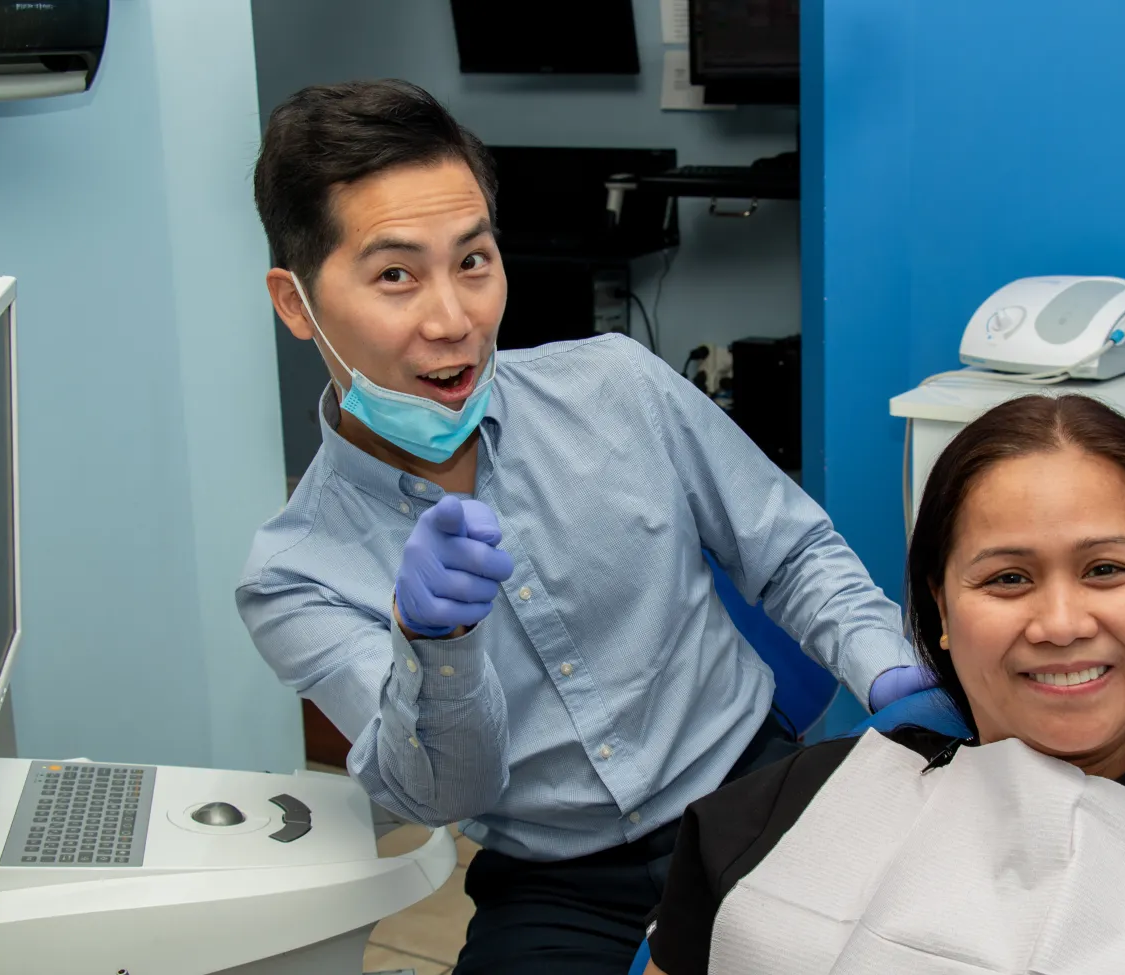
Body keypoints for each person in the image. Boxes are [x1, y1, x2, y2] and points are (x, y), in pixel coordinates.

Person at [235, 79, 929, 974]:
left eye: (474, 261)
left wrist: (886, 665)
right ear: (296, 304)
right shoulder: (294, 573)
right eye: (396, 275)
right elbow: (447, 793)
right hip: (558, 881)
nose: (454, 320)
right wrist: (435, 645)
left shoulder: (618, 384)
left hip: (751, 796)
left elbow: (788, 550)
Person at [644, 393, 1125, 975]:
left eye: (1106, 568)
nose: (1061, 621)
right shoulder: (768, 822)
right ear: (940, 610)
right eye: (1008, 577)